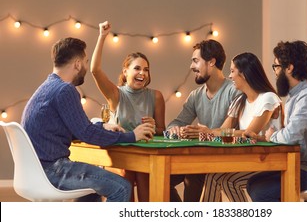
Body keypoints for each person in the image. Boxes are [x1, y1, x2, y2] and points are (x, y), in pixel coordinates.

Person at [21, 37, 155, 202]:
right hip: (53, 170)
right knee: (122, 187)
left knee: (91, 188)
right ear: (77, 64)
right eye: (85, 61)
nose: (85, 66)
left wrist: (102, 125)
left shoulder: (47, 87)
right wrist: (132, 136)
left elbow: (77, 129)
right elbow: (87, 134)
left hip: (36, 171)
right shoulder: (65, 90)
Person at [246, 40, 307, 202]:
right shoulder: (298, 96)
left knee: (261, 191)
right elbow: (293, 134)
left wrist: (272, 136)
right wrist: (268, 137)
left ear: (289, 68)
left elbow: (291, 136)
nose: (275, 73)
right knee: (254, 182)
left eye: (276, 67)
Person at [91, 21, 166, 202]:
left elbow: (161, 131)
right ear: (125, 72)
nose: (143, 73)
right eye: (137, 68)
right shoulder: (116, 94)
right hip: (121, 155)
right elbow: (95, 70)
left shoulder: (156, 96)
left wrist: (154, 127)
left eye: (146, 69)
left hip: (145, 155)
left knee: (145, 176)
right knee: (128, 176)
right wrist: (102, 36)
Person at [199, 52, 283, 202]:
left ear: (244, 74)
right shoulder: (239, 101)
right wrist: (209, 132)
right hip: (249, 159)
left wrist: (212, 132)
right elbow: (222, 130)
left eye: (232, 71)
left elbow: (249, 133)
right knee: (213, 176)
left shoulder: (268, 98)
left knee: (226, 180)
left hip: (268, 161)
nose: (229, 76)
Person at [167, 39, 240, 202]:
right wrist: (175, 129)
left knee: (192, 175)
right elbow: (176, 122)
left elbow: (230, 132)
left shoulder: (234, 91)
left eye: (195, 61)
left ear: (211, 62)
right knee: (161, 177)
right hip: (198, 159)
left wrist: (204, 133)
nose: (191, 67)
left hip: (229, 158)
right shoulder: (196, 95)